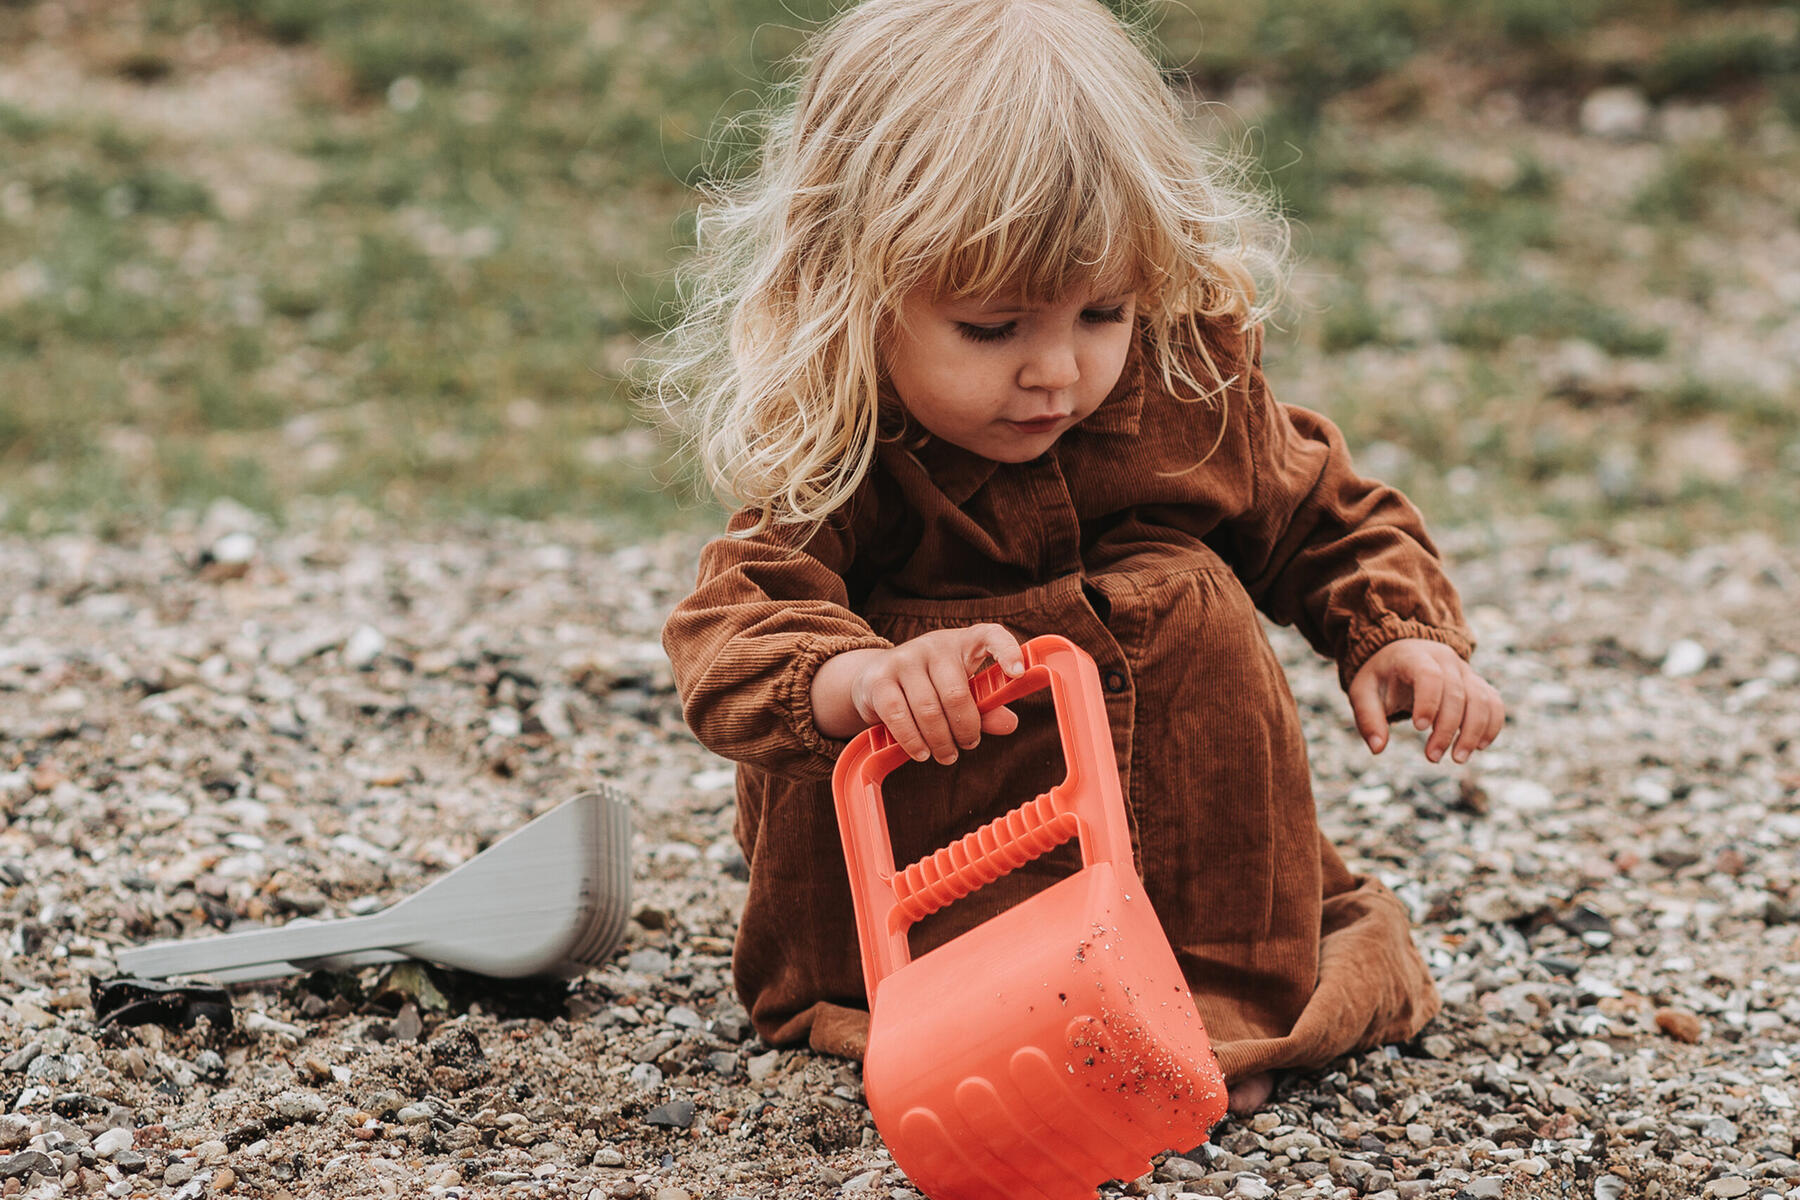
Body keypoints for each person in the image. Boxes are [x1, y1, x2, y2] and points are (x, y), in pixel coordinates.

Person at [650, 0, 1504, 1117]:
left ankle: (1207, 1000)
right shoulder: (847, 444)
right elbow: (729, 633)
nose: (1056, 371)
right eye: (993, 327)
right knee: (973, 718)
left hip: (1181, 875)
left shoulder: (1184, 382)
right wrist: (859, 679)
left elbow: (1316, 508)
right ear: (852, 291)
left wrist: (1396, 634)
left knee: (1185, 591)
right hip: (938, 897)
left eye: (1101, 312)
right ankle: (1025, 1026)